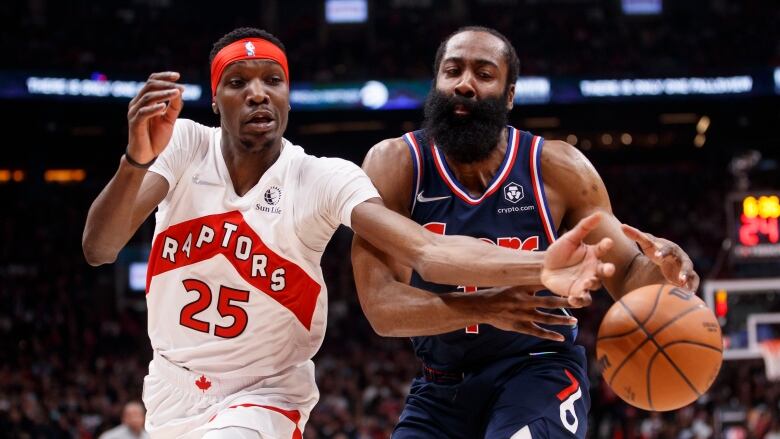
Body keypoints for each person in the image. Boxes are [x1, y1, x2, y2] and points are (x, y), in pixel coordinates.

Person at [82, 27, 616, 438]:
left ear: (290, 94)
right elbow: (100, 247)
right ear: (215, 98)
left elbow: (426, 250)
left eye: (273, 80)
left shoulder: (323, 177)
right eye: (238, 82)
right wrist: (135, 159)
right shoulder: (182, 146)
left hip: (264, 392)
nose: (258, 94)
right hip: (170, 384)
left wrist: (543, 265)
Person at [351, 26, 700, 439]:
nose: (464, 84)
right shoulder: (396, 164)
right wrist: (486, 307)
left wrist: (665, 273)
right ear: (436, 84)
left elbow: (626, 275)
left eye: (483, 74)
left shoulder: (557, 168)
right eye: (452, 71)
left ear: (509, 95)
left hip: (540, 369)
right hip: (440, 386)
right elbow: (381, 307)